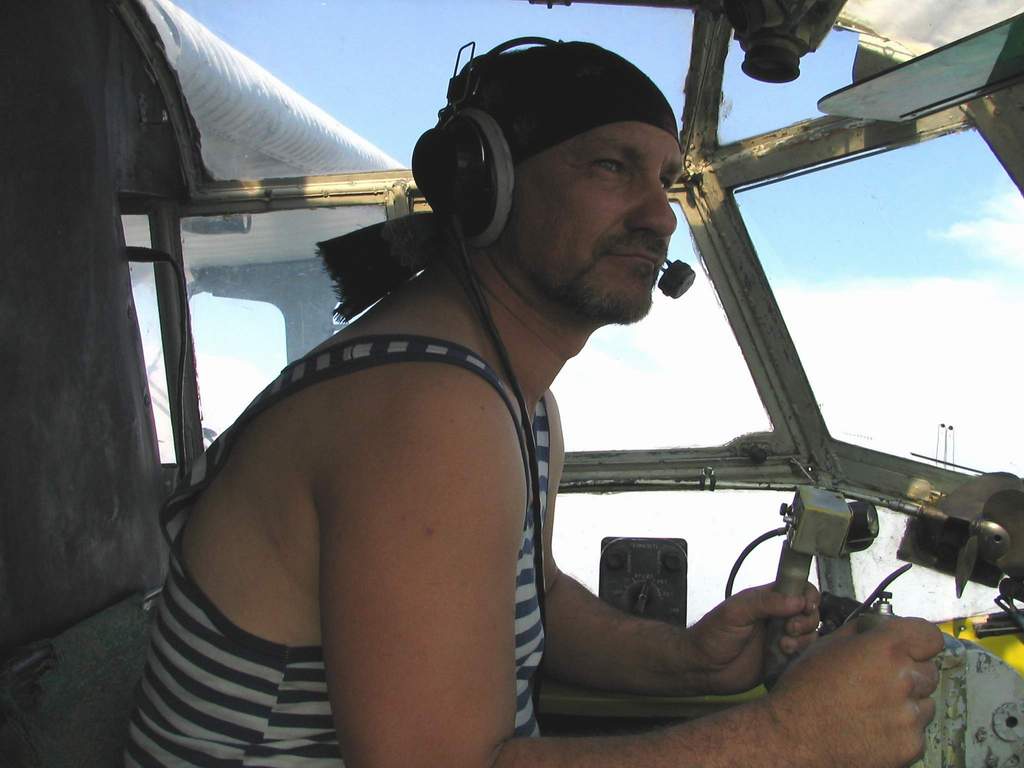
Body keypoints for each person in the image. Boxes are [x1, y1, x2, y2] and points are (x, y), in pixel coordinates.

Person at [125, 40, 944, 767]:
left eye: (665, 181)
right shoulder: (423, 410)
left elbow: (536, 596)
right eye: (611, 167)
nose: (659, 216)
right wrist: (791, 741)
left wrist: (688, 661)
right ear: (485, 185)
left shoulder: (516, 403)